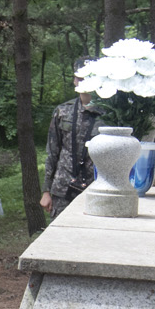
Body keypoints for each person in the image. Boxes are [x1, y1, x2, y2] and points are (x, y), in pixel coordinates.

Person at [41, 89, 101, 219]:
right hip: (63, 189)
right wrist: (46, 191)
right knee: (60, 235)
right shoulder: (62, 111)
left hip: (95, 188)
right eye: (78, 77)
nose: (81, 81)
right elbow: (52, 153)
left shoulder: (108, 114)